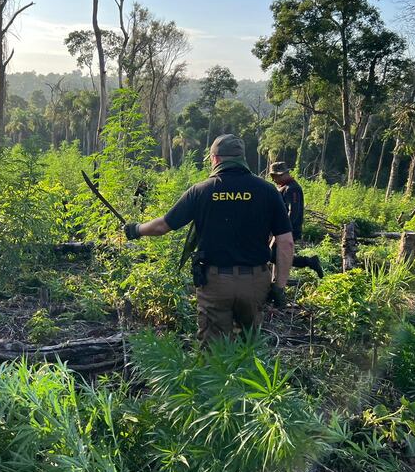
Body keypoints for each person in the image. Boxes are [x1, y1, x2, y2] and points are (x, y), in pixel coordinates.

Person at [123, 134, 294, 342]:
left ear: (215, 158)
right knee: (248, 344)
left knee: (213, 349)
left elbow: (162, 226)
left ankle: (217, 372)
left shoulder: (201, 191)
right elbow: (286, 242)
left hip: (215, 283)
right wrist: (279, 285)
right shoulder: (268, 191)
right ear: (242, 158)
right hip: (255, 282)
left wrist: (137, 229)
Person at [268, 162, 323, 278]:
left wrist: (281, 231)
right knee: (276, 257)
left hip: (288, 230)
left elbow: (293, 212)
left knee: (274, 256)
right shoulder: (283, 188)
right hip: (282, 229)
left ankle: (309, 262)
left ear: (283, 174)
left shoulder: (292, 188)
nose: (273, 179)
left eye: (275, 176)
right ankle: (275, 283)